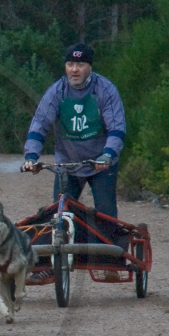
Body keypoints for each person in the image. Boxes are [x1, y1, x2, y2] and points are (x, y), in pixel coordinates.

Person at [21, 43, 127, 282]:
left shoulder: (106, 90)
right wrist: (31, 157)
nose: (74, 70)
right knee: (58, 214)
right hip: (68, 164)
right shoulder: (56, 92)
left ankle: (111, 262)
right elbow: (39, 125)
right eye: (70, 64)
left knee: (106, 212)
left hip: (101, 162)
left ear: (89, 67)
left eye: (80, 65)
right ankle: (48, 263)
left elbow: (117, 128)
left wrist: (108, 154)